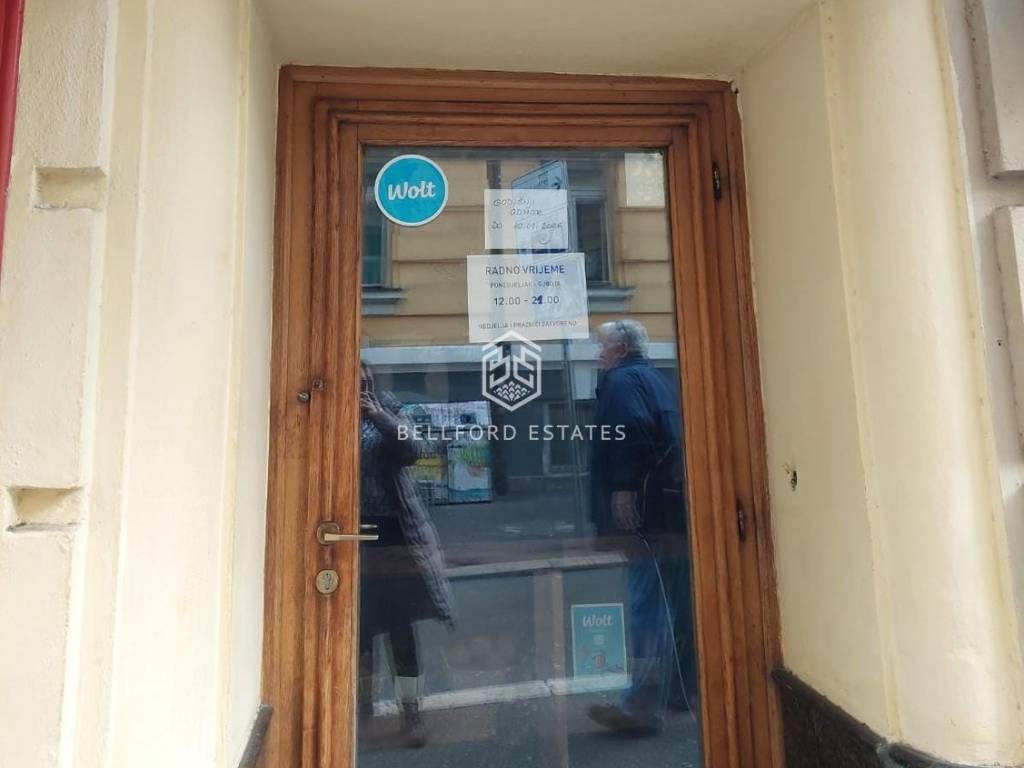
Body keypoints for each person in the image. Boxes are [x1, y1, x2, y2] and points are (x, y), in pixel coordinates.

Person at [587, 320, 693, 735]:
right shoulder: (658, 380)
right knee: (674, 605)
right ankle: (680, 692)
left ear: (620, 348)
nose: (598, 354)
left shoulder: (622, 382)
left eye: (602, 346)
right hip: (671, 512)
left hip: (647, 514)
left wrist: (624, 488)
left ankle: (642, 706)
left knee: (647, 606)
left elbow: (629, 433)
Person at [358, 361, 456, 748]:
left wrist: (378, 416)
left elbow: (414, 449)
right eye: (355, 381)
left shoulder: (388, 408)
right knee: (358, 630)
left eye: (366, 380)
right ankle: (360, 710)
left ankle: (411, 711)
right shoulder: (330, 411)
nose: (362, 386)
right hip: (349, 535)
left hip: (391, 532)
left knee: (400, 629)